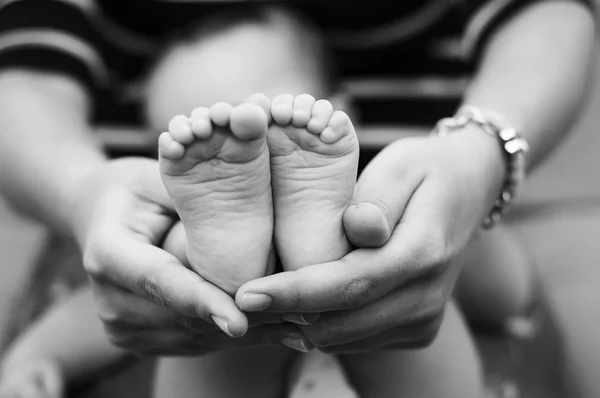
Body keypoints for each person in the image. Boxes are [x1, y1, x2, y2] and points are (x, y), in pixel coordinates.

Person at [0, 0, 595, 396]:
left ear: (343, 110)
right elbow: (88, 316)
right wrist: (37, 357)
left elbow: (498, 286)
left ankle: (272, 263)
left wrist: (32, 361)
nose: (243, 147)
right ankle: (247, 265)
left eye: (263, 124)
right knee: (188, 286)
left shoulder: (400, 211)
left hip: (386, 301)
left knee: (397, 264)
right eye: (213, 149)